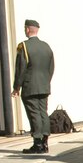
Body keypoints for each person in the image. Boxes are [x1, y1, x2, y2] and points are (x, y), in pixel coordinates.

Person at [12, 19, 55, 154]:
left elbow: (21, 68)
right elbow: (51, 67)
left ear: (27, 29)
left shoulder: (24, 46)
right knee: (43, 112)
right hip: (44, 85)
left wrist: (16, 86)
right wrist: (46, 81)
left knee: (34, 113)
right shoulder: (46, 46)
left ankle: (37, 142)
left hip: (30, 85)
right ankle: (45, 142)